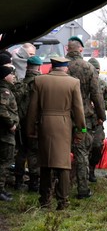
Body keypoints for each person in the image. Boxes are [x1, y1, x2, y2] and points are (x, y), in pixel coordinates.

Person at [26, 57, 85, 210]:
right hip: (64, 125)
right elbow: (79, 111)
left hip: (45, 124)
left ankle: (45, 200)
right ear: (65, 68)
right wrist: (81, 130)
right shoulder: (73, 82)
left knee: (45, 163)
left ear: (52, 67)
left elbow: (33, 108)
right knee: (63, 164)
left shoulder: (40, 81)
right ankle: (63, 201)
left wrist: (30, 128)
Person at [66, 37, 106, 199]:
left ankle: (60, 186)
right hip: (83, 118)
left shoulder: (60, 66)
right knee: (81, 152)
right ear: (81, 50)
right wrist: (101, 115)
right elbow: (97, 95)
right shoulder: (88, 67)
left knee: (61, 151)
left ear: (67, 49)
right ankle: (83, 189)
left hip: (62, 117)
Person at [13, 55, 43, 192]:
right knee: (34, 153)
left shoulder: (20, 83)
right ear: (39, 67)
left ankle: (18, 181)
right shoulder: (40, 83)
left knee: (21, 152)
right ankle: (34, 182)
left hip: (20, 123)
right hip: (34, 124)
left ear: (27, 67)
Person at [87, 57, 107, 182]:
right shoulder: (82, 82)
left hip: (97, 121)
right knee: (84, 146)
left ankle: (92, 168)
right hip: (85, 119)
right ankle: (83, 171)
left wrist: (101, 107)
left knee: (97, 145)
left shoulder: (102, 84)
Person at [0, 66, 19, 201]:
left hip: (5, 131)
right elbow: (2, 109)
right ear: (5, 76)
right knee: (5, 161)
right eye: (11, 74)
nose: (13, 76)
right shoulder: (4, 91)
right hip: (5, 132)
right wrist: (11, 124)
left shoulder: (7, 89)